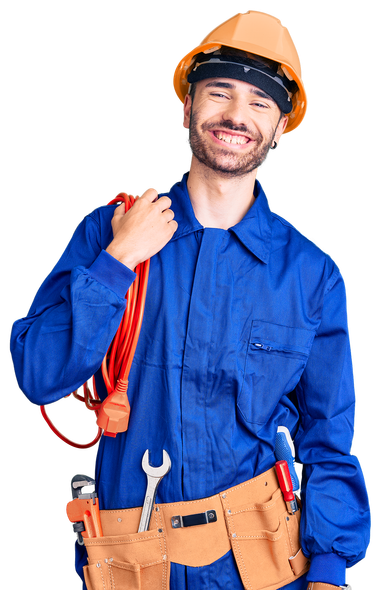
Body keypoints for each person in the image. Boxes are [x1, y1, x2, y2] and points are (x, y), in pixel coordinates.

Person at [10, 10, 371, 590]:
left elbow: (329, 435)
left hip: (263, 568)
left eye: (260, 102)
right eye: (219, 92)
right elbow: (37, 375)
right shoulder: (112, 231)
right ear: (187, 107)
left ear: (281, 127)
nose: (236, 115)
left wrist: (330, 568)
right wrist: (115, 265)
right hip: (130, 562)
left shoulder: (312, 275)